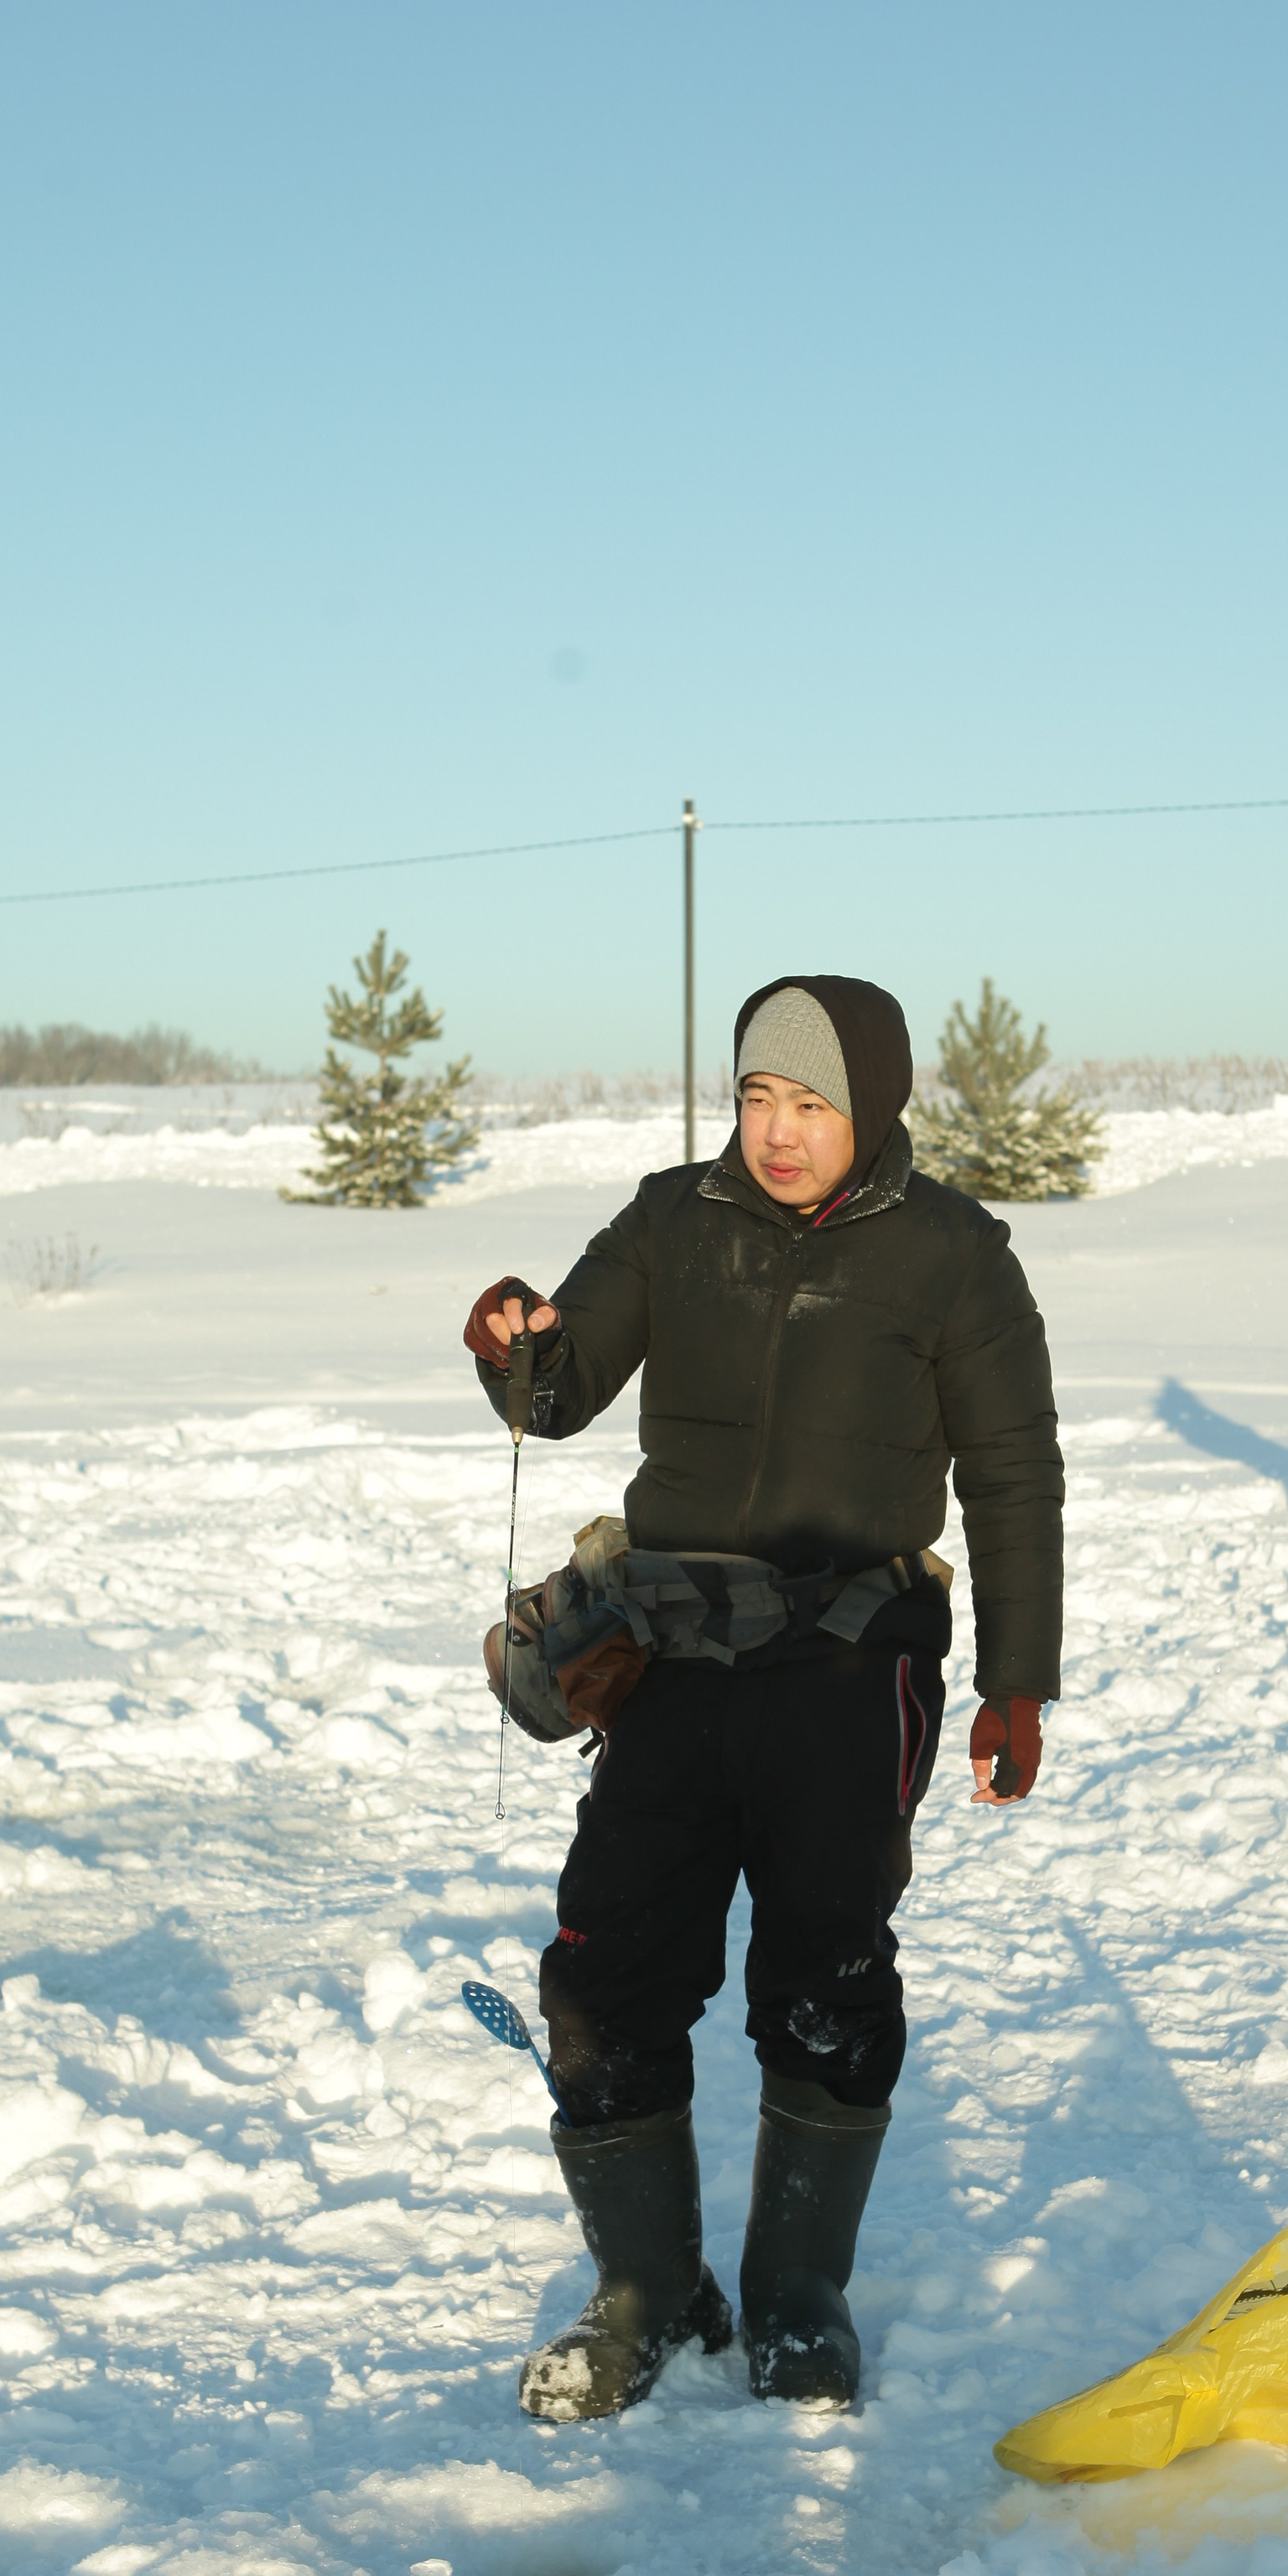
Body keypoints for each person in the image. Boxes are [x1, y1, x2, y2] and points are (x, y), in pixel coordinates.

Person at [462, 974, 1064, 2421]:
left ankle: (800, 2302)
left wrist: (1017, 1683)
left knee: (827, 1975)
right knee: (606, 1975)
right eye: (757, 1098)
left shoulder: (953, 1252)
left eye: (812, 1104)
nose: (779, 1133)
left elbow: (1013, 1470)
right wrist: (513, 1346)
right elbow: (563, 1389)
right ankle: (647, 2293)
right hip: (675, 1648)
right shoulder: (672, 1220)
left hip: (856, 1658)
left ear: (873, 1107)